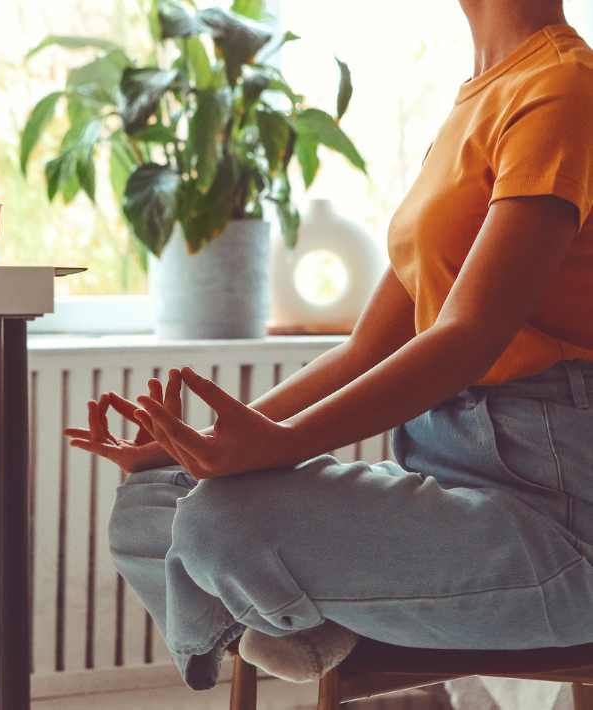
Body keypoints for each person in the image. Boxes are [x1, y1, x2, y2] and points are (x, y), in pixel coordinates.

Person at [64, 0, 593, 691]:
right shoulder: (481, 99)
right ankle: (304, 618)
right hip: (447, 478)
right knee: (155, 497)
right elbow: (362, 351)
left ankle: (293, 614)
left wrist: (274, 447)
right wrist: (205, 445)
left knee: (220, 523)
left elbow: (467, 337)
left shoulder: (565, 87)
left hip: (554, 516)